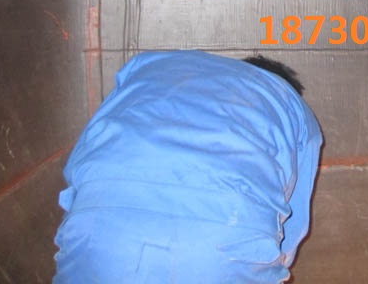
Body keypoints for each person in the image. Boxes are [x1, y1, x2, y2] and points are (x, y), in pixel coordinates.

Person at [53, 50, 323, 283]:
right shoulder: (290, 104)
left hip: (95, 239)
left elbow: (77, 169)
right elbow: (292, 225)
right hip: (222, 250)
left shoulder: (144, 71)